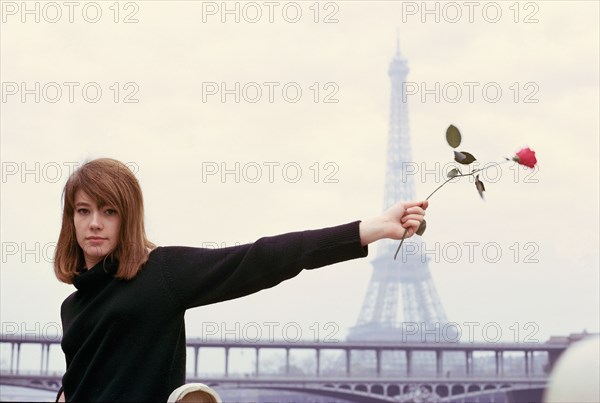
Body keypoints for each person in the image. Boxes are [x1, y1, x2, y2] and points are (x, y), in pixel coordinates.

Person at [53, 158, 428, 402]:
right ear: (71, 219)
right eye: (84, 211)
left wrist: (369, 229)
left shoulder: (160, 273)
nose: (95, 222)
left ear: (127, 218)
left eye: (109, 210)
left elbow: (259, 259)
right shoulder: (71, 307)